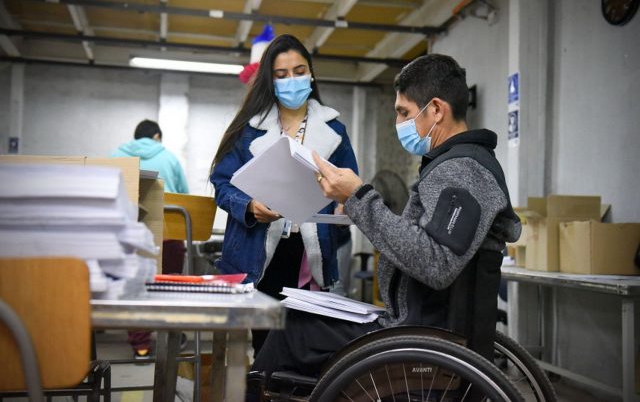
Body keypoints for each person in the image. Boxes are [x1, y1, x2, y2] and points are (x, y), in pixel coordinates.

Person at [250, 53, 522, 380]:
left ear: (436, 109)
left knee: (291, 328)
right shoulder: (452, 166)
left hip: (423, 340)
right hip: (413, 326)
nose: (398, 122)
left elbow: (436, 263)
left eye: (404, 112)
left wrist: (358, 197)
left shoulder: (464, 171)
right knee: (297, 316)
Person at [209, 34, 358, 355]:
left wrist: (344, 204)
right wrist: (249, 206)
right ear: (270, 80)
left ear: (311, 74)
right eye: (282, 74)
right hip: (257, 253)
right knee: (264, 348)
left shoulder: (334, 130)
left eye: (299, 71)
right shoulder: (249, 128)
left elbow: (350, 185)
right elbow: (221, 183)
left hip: (311, 254)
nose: (292, 80)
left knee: (306, 347)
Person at [111, 119, 190, 359]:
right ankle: (171, 335)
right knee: (170, 283)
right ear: (157, 136)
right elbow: (185, 198)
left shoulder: (115, 156)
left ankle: (141, 346)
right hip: (167, 233)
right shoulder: (169, 158)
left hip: (129, 235)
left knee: (134, 286)